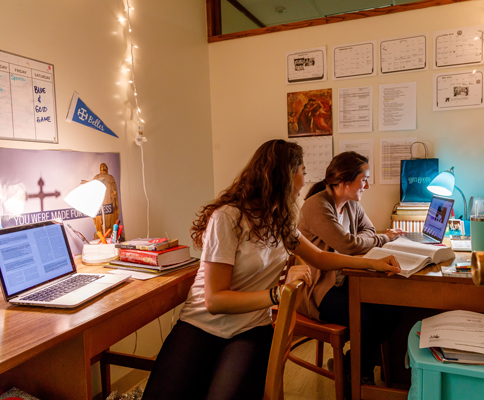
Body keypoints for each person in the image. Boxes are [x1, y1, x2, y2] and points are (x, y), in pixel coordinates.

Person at [142, 140, 401, 400]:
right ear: (284, 176)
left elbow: (321, 257)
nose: (305, 179)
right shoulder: (228, 218)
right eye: (302, 170)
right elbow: (215, 300)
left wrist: (372, 263)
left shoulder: (280, 220)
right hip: (199, 325)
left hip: (250, 329)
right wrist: (278, 294)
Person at [297, 151, 405, 382]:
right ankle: (359, 378)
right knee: (365, 321)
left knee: (393, 313)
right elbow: (350, 245)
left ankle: (347, 365)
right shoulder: (316, 206)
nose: (367, 185)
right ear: (345, 182)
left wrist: (370, 238)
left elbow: (367, 231)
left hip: (346, 280)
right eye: (363, 179)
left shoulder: (351, 205)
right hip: (318, 289)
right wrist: (384, 238)